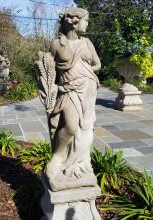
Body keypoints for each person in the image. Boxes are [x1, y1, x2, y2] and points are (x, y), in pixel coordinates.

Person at [46, 7, 101, 191]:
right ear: (74, 22)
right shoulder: (56, 45)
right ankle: (58, 156)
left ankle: (78, 164)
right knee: (70, 126)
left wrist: (84, 72)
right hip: (68, 90)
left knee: (84, 129)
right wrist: (52, 88)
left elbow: (97, 64)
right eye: (86, 21)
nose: (87, 24)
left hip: (87, 89)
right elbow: (48, 70)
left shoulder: (87, 43)